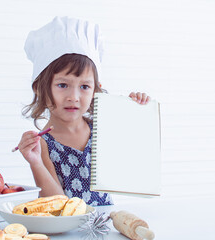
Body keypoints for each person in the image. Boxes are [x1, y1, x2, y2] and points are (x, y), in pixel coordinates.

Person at [17, 16, 150, 206]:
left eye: (85, 87)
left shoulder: (102, 129)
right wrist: (35, 162)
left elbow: (135, 160)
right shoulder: (43, 145)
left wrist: (135, 113)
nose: (74, 96)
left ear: (96, 89)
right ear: (40, 88)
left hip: (106, 224)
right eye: (63, 85)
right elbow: (56, 203)